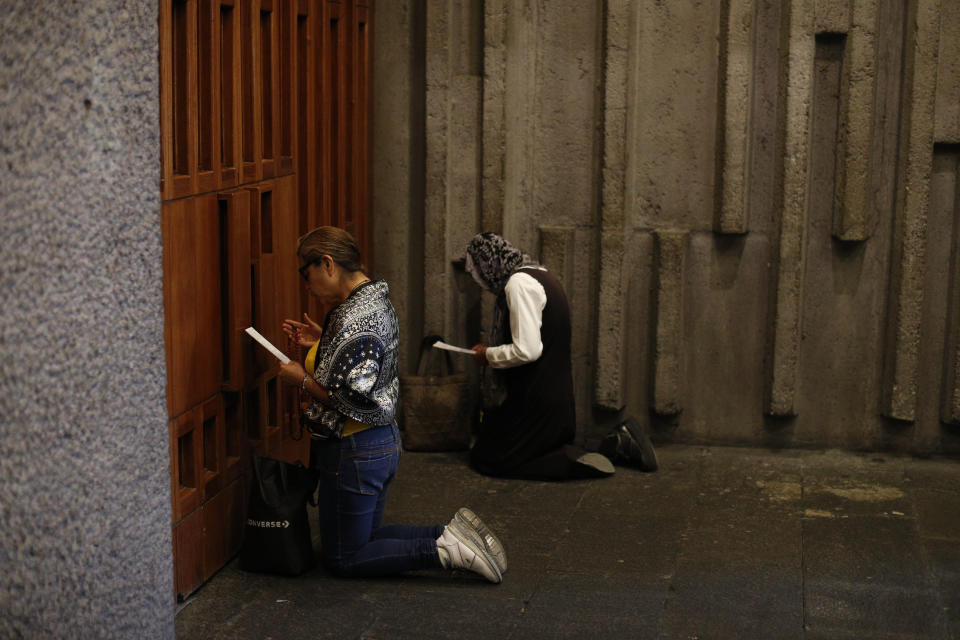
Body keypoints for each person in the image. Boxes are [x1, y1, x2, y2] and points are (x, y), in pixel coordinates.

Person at [278, 226, 507, 583]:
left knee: (344, 556)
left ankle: (443, 551)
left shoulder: (354, 318)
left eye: (306, 275)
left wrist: (301, 379)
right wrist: (322, 342)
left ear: (327, 264)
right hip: (378, 441)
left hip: (355, 448)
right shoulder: (373, 298)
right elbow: (358, 363)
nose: (307, 286)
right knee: (364, 540)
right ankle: (448, 534)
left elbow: (349, 397)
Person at [461, 232, 658, 480]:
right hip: (555, 400)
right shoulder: (539, 274)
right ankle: (614, 443)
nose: (481, 283)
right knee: (499, 443)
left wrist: (488, 355)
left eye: (478, 273)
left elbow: (527, 350)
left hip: (536, 403)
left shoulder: (518, 284)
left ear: (488, 265)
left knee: (489, 460)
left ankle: (572, 463)